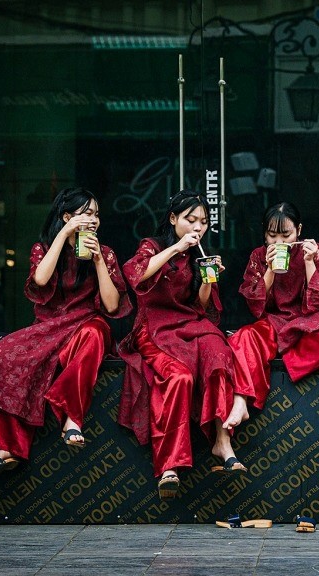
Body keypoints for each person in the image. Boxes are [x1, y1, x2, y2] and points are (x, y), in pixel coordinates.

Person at [0, 188, 131, 477]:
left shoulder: (105, 253)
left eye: (96, 214)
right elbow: (40, 279)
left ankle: (72, 416)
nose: (94, 219)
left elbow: (111, 305)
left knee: (95, 335)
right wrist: (63, 236)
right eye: (86, 213)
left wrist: (98, 261)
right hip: (49, 326)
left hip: (87, 322)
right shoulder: (44, 248)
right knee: (3, 354)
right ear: (67, 216)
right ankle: (5, 446)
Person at [117, 190, 242, 500]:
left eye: (203, 222)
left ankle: (222, 440)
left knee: (218, 350)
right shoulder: (153, 246)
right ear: (173, 219)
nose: (197, 228)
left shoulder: (199, 254)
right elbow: (136, 275)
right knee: (180, 377)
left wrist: (208, 280)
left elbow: (200, 307)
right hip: (155, 328)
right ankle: (168, 466)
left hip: (187, 323)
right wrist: (175, 248)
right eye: (190, 220)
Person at [223, 202, 319, 429]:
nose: (279, 242)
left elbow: (317, 302)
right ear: (264, 233)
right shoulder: (258, 256)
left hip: (306, 323)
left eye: (286, 235)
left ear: (299, 230)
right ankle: (241, 401)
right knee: (243, 338)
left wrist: (310, 262)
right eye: (272, 236)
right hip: (273, 322)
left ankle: (280, 362)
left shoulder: (314, 250)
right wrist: (270, 268)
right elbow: (256, 306)